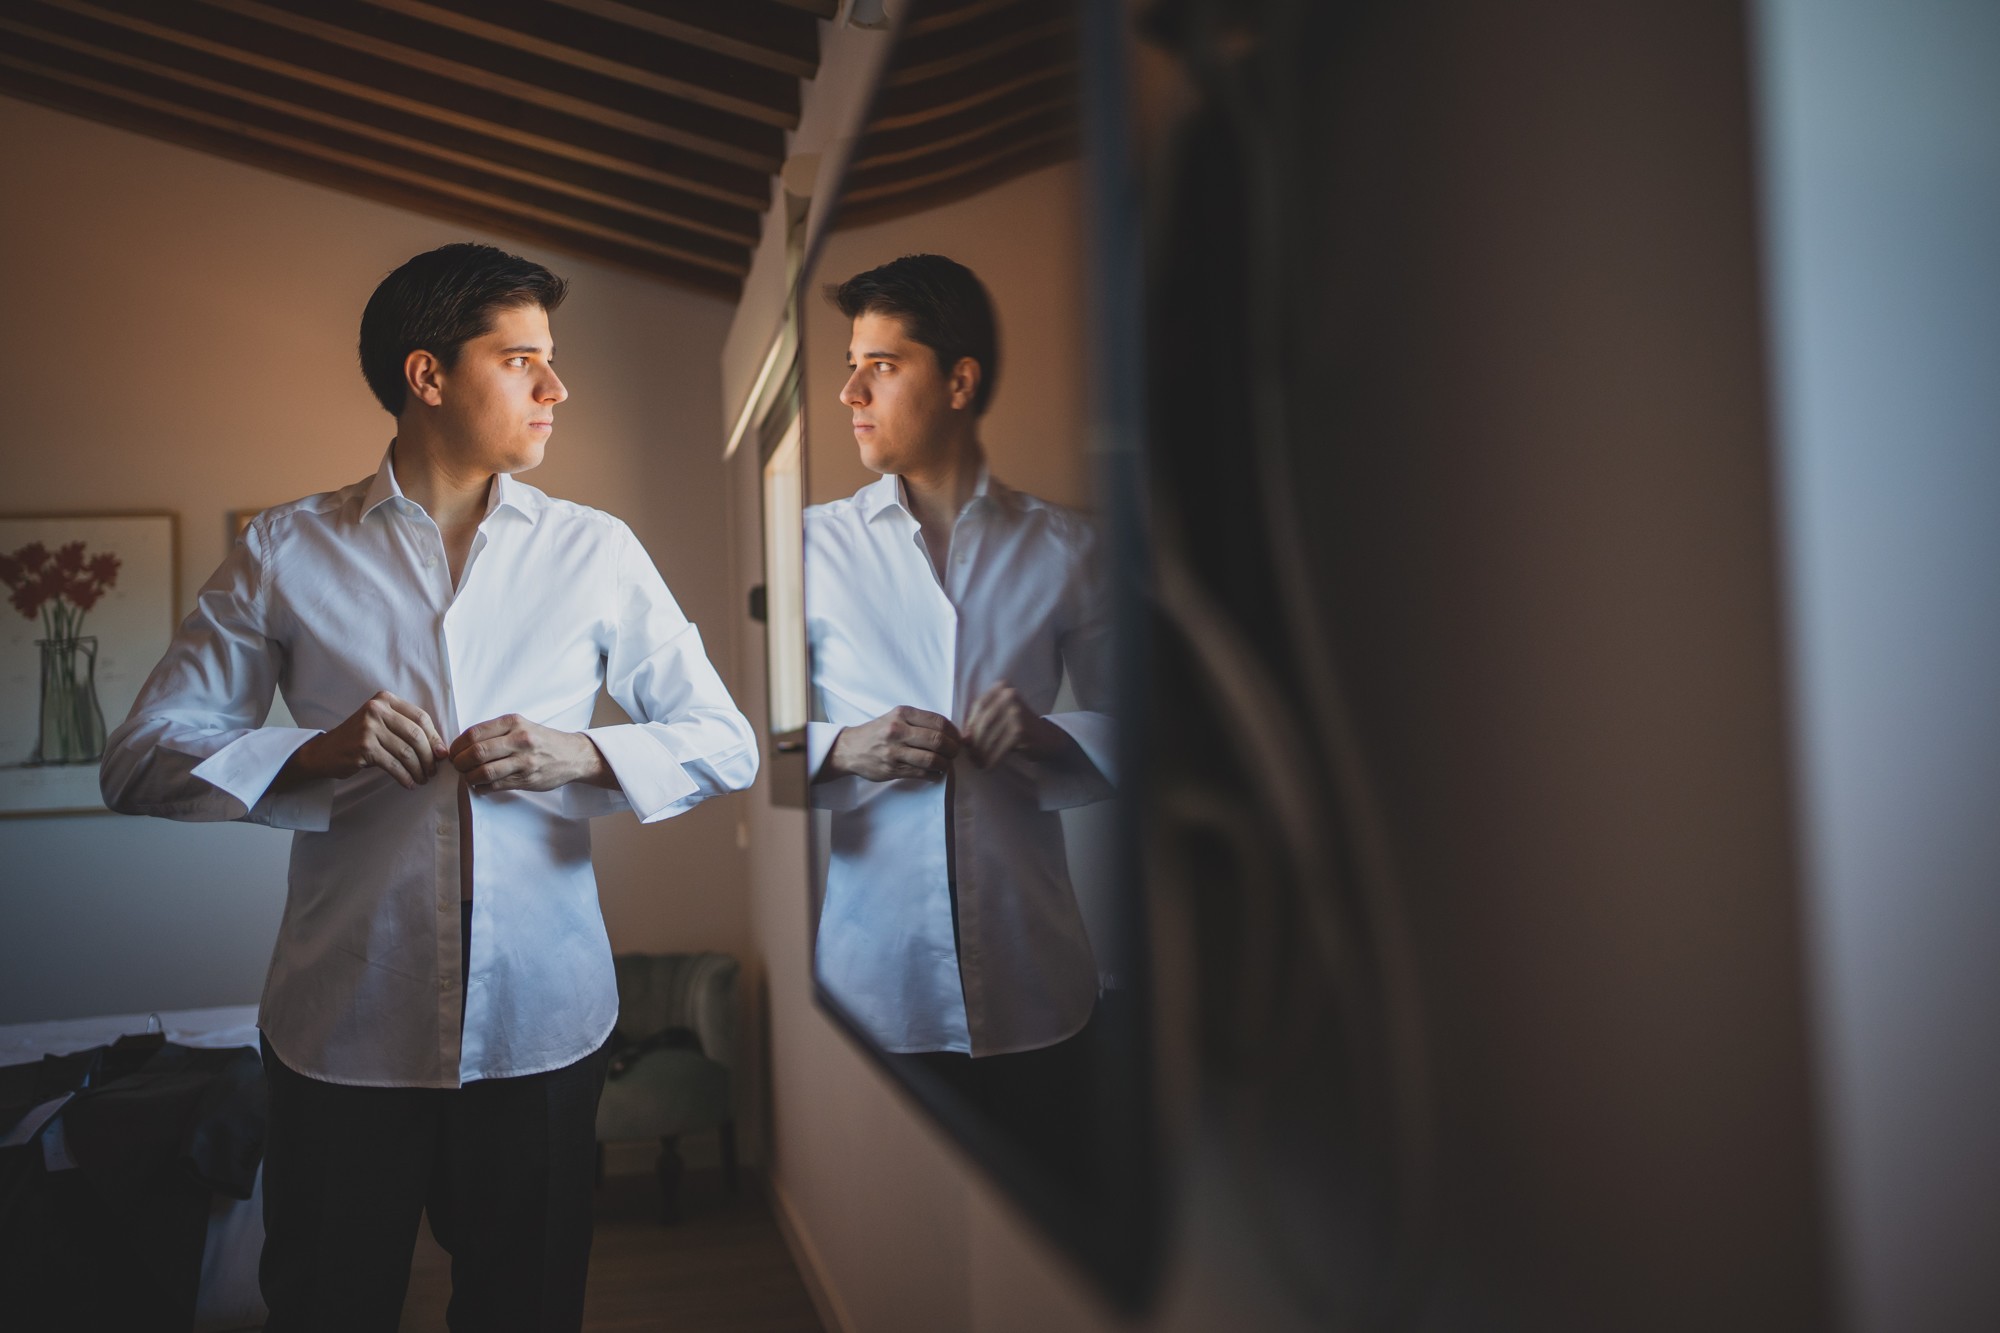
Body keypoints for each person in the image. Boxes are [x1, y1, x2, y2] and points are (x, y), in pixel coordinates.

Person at [100, 243, 757, 1332]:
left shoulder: (596, 552)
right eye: (522, 360)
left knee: (527, 1312)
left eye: (552, 361)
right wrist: (314, 750)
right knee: (326, 1306)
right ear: (428, 375)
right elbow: (138, 756)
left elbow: (725, 739)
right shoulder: (284, 549)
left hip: (543, 1027)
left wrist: (580, 754)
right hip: (342, 1029)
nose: (557, 389)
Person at [804, 254, 1115, 1178]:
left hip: (1038, 986)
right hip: (876, 991)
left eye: (882, 365)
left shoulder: (1068, 547)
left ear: (958, 381)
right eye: (850, 362)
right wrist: (849, 746)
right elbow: (739, 744)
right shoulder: (810, 547)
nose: (850, 390)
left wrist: (1052, 735)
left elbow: (1149, 720)